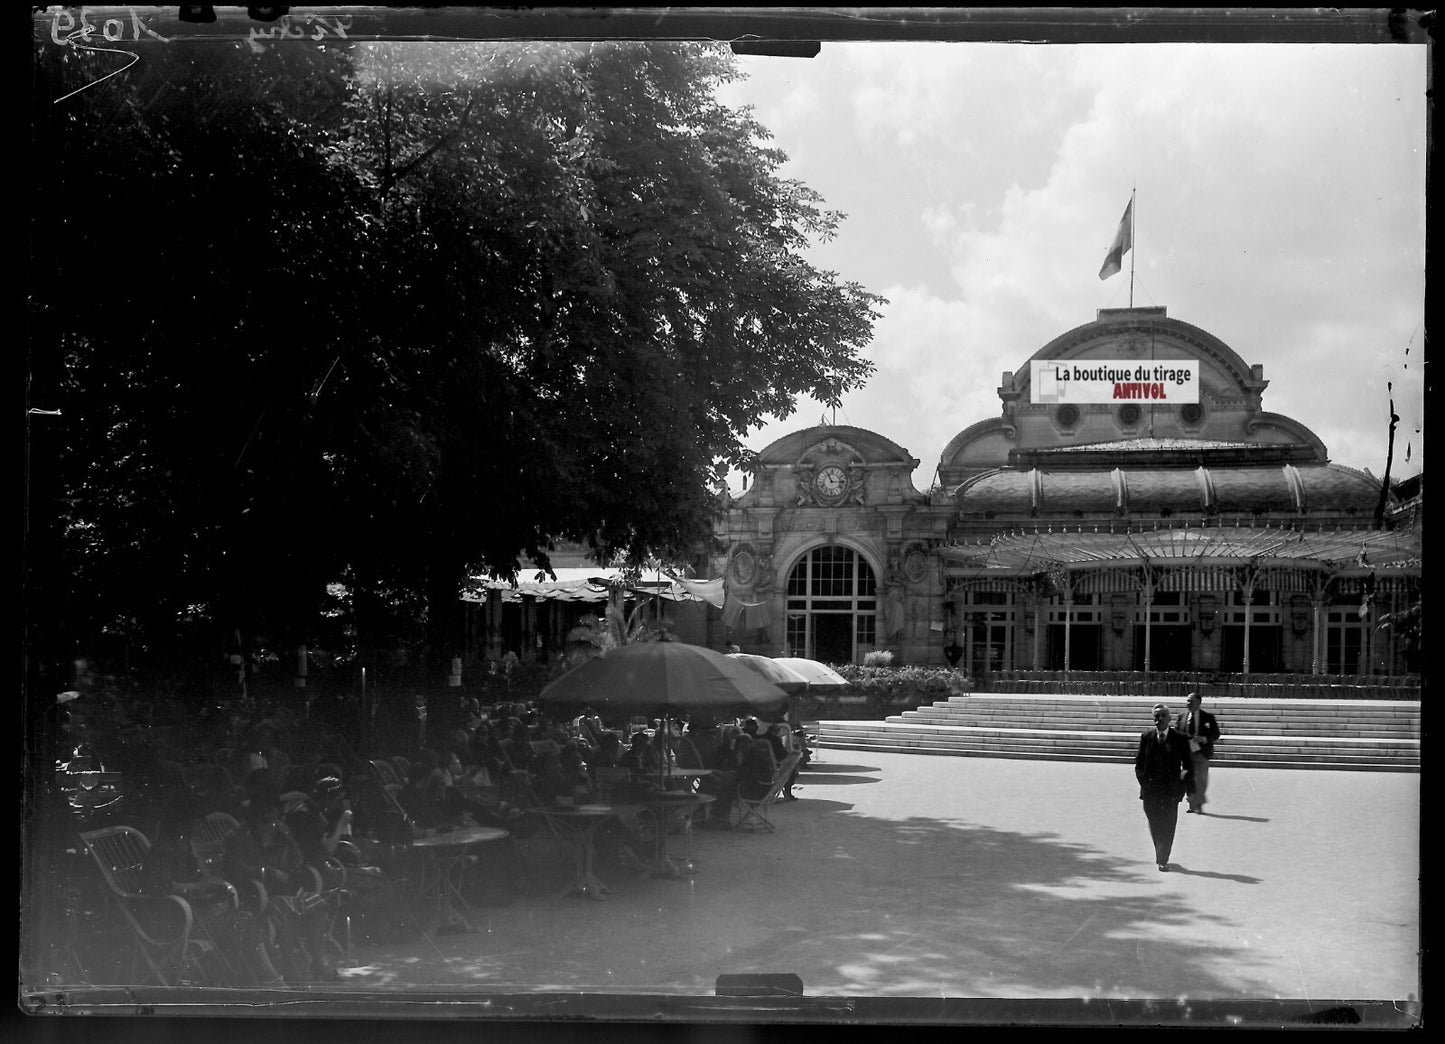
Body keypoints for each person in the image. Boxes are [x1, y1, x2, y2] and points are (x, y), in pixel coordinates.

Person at [1134, 703, 1194, 872]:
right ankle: (1160, 851)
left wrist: (1183, 788)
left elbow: (1188, 765)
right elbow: (1139, 764)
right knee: (1154, 823)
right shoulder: (1147, 737)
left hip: (1170, 791)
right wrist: (1144, 782)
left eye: (1162, 716)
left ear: (1169, 718)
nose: (1158, 719)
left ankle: (1163, 858)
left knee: (1168, 825)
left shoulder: (1179, 738)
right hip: (1150, 790)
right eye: (1156, 716)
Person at [1176, 692, 1221, 814]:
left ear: (1199, 703)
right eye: (1187, 701)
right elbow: (1176, 733)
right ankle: (1192, 804)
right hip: (1187, 754)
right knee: (1188, 779)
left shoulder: (1208, 717)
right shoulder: (1181, 717)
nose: (1188, 703)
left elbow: (1216, 734)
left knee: (1201, 780)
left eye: (1191, 701)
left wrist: (1204, 738)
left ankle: (1199, 803)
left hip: (1202, 753)